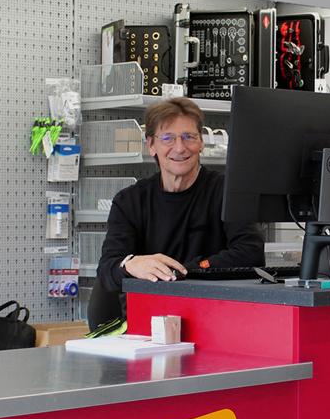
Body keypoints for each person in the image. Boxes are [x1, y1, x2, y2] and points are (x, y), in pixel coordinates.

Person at [91, 97, 264, 329]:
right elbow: (107, 269)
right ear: (151, 145)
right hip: (146, 326)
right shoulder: (129, 201)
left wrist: (182, 271)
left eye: (189, 137)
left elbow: (250, 254)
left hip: (215, 320)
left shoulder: (228, 194)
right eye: (168, 138)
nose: (180, 148)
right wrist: (132, 264)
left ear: (202, 142)